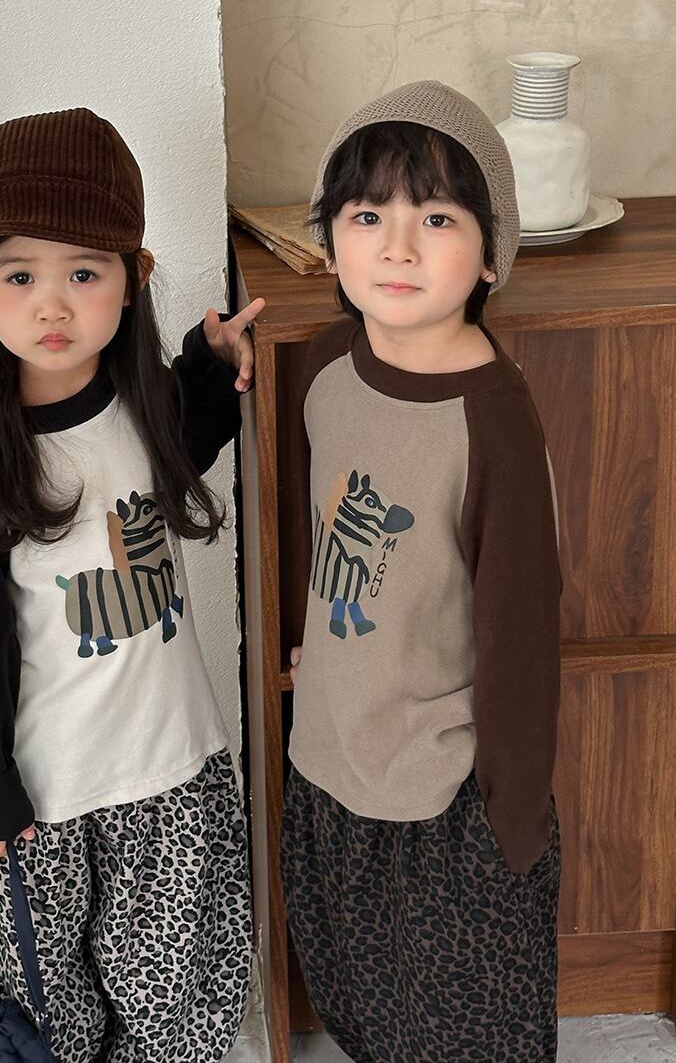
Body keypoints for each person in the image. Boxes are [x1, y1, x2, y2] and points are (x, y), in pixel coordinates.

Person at [0, 107, 260, 1062]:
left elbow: (187, 439)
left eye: (84, 273)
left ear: (132, 278)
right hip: (50, 794)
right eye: (19, 276)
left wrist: (211, 364)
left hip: (169, 769)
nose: (52, 306)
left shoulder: (143, 400)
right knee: (48, 1012)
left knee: (171, 1004)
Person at [282, 81, 562, 1062]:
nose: (397, 247)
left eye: (436, 217)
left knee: (463, 1028)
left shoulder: (492, 421)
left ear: (490, 252)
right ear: (330, 241)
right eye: (368, 216)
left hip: (447, 799)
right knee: (364, 1001)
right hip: (331, 760)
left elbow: (521, 638)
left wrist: (511, 821)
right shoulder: (325, 366)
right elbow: (313, 522)